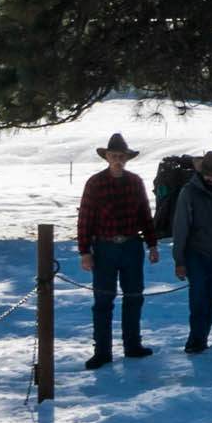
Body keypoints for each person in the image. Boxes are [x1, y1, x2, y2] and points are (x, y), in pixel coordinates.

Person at [74, 133, 156, 365]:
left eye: (122, 156)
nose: (118, 159)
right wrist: (85, 251)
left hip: (131, 246)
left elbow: (145, 215)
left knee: (134, 297)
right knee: (103, 300)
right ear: (107, 157)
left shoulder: (135, 182)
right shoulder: (95, 183)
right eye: (114, 156)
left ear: (127, 158)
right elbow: (85, 219)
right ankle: (102, 351)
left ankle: (132, 345)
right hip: (104, 247)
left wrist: (152, 244)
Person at [165, 150, 212, 353]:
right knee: (198, 299)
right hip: (194, 253)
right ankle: (195, 342)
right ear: (201, 173)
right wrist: (179, 261)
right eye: (208, 174)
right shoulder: (188, 192)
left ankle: (202, 339)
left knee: (210, 299)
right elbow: (180, 228)